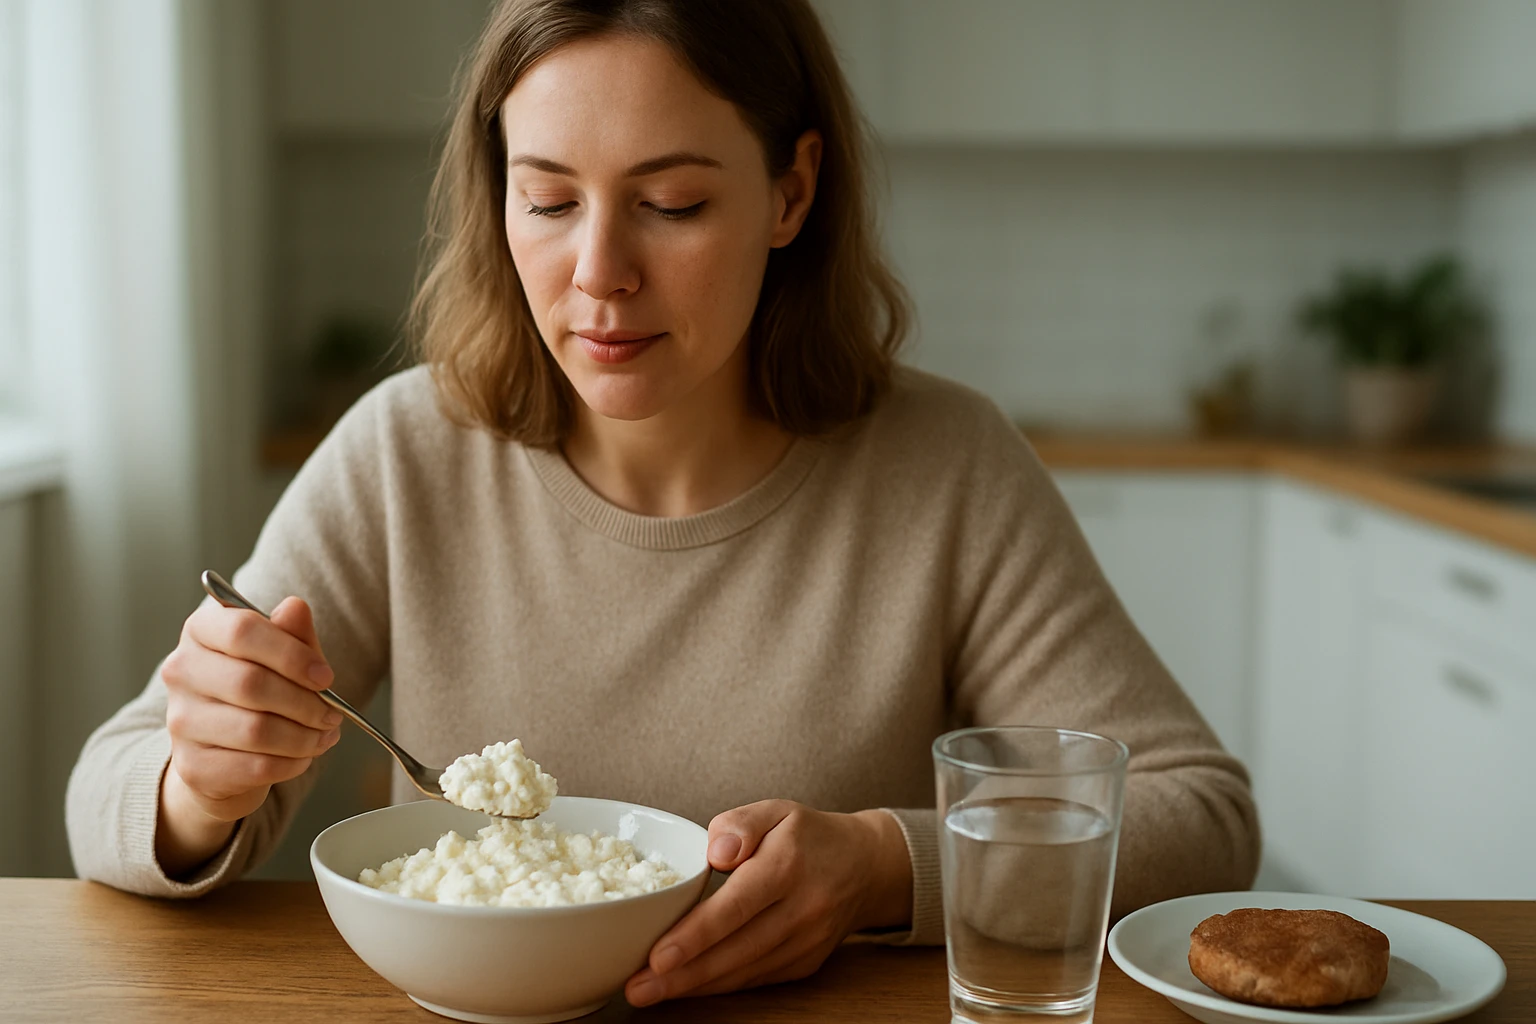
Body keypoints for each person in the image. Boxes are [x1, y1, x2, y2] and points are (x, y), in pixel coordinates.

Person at [66, 0, 1260, 1009]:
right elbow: (105, 799)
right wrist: (200, 784)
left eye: (673, 203)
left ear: (792, 192)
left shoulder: (944, 466)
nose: (598, 274)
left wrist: (887, 863)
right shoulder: (407, 451)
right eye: (546, 200)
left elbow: (1197, 815)